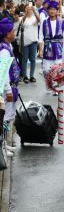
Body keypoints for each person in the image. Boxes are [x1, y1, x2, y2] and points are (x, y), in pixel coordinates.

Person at [0, 18, 21, 156]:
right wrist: (8, 90)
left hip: (11, 87)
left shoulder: (8, 46)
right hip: (6, 89)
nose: (15, 33)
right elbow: (3, 72)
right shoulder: (4, 50)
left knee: (8, 117)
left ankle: (5, 144)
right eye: (13, 31)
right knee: (4, 119)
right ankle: (2, 147)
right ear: (8, 34)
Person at [38, 1, 64, 93]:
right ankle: (49, 86)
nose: (52, 11)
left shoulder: (62, 22)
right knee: (46, 69)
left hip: (58, 48)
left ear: (57, 11)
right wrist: (40, 50)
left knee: (58, 69)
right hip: (47, 48)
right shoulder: (44, 22)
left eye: (54, 9)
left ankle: (57, 88)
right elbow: (41, 36)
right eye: (50, 9)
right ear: (48, 11)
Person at [20, 4, 40, 83]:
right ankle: (25, 76)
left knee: (33, 60)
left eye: (30, 8)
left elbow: (39, 20)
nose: (29, 9)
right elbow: (22, 22)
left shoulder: (34, 18)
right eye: (27, 8)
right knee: (24, 59)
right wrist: (25, 13)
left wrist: (34, 11)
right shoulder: (22, 17)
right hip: (25, 41)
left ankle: (32, 76)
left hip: (33, 41)